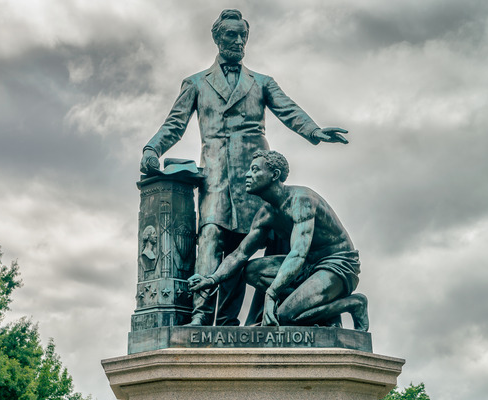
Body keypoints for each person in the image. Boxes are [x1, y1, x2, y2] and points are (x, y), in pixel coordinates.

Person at [141, 9, 349, 326]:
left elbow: (288, 109)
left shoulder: (262, 82)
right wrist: (152, 148)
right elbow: (174, 124)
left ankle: (270, 316)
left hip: (259, 178)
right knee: (211, 239)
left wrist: (313, 131)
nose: (238, 41)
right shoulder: (196, 83)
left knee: (273, 244)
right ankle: (203, 315)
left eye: (242, 36)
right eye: (231, 35)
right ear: (217, 38)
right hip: (218, 178)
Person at [188, 151, 368, 331]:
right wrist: (211, 279)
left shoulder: (301, 200)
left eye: (255, 170)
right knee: (251, 271)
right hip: (308, 267)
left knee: (284, 316)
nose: (247, 175)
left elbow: (298, 253)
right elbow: (240, 254)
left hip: (337, 266)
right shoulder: (266, 214)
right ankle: (316, 305)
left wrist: (272, 294)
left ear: (274, 175)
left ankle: (352, 304)